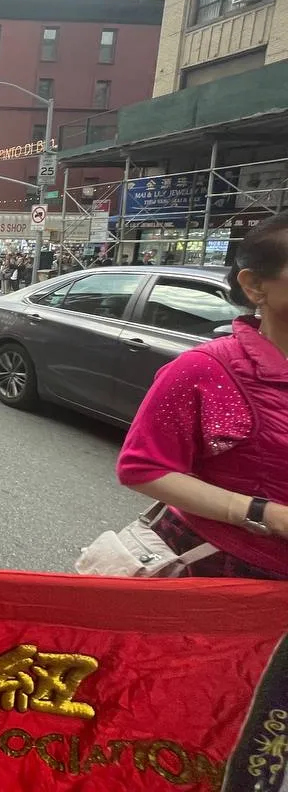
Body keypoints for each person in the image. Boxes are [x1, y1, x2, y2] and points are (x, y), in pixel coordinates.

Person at [117, 213, 288, 579]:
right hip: (223, 581)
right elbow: (141, 468)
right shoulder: (205, 369)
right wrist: (263, 513)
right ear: (256, 286)